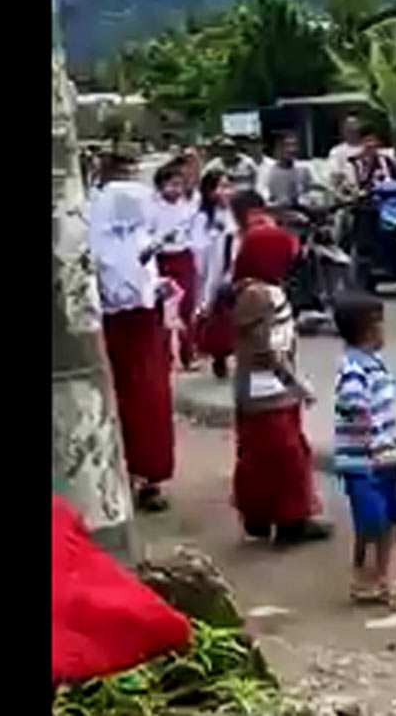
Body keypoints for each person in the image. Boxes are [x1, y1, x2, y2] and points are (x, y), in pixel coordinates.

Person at [228, 222, 332, 547]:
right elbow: (267, 349)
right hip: (269, 391)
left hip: (258, 390)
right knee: (286, 457)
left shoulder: (250, 290)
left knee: (260, 455)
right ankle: (290, 521)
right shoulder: (260, 295)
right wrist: (296, 384)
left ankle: (259, 517)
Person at [89, 154, 176, 511]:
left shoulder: (138, 237)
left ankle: (150, 475)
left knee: (151, 401)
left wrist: (158, 287)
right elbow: (110, 290)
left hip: (146, 327)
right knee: (125, 400)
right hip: (118, 330)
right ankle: (128, 474)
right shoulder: (100, 243)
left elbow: (144, 281)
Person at [331, 293, 396, 607]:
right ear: (369, 329)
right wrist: (365, 417)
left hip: (385, 456)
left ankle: (381, 576)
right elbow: (351, 401)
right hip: (365, 461)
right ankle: (365, 579)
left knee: (390, 520)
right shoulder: (355, 368)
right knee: (372, 522)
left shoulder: (371, 364)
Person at [150, 161, 201, 369]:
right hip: (161, 260)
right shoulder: (152, 208)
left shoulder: (189, 206)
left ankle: (188, 353)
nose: (176, 190)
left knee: (187, 306)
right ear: (160, 186)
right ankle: (164, 356)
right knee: (163, 309)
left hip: (184, 258)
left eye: (179, 185)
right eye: (171, 185)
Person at [191, 171, 239, 380]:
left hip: (234, 268)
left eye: (228, 186)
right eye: (220, 187)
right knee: (216, 314)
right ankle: (218, 355)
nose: (225, 192)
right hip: (213, 269)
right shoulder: (203, 217)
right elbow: (198, 247)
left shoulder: (236, 213)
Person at [262, 132, 312, 207]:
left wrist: (303, 201)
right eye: (287, 145)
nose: (292, 149)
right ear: (278, 148)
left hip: (300, 210)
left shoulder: (303, 169)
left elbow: (308, 192)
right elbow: (264, 193)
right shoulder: (268, 170)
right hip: (276, 210)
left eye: (294, 145)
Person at [327, 114, 368, 201]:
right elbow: (335, 176)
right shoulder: (337, 152)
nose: (352, 128)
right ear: (343, 129)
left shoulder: (368, 148)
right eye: (348, 126)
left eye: (355, 125)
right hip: (347, 196)